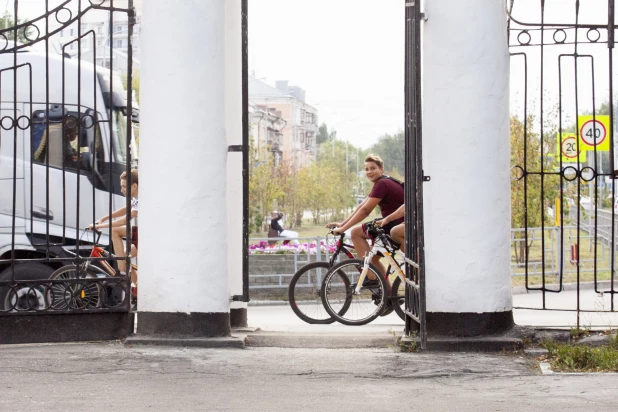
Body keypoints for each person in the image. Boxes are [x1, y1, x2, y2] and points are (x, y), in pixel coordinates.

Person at [327, 154, 404, 281]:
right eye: (367, 169)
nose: (369, 172)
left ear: (381, 168)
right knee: (373, 259)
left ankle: (371, 278)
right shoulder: (385, 181)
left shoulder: (382, 184)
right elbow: (361, 206)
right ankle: (387, 294)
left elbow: (366, 210)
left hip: (395, 225)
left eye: (373, 168)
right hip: (393, 223)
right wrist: (342, 224)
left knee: (356, 232)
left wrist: (344, 228)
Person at [89, 169, 139, 284]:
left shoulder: (141, 198)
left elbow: (125, 219)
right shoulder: (136, 197)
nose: (122, 190)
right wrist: (103, 218)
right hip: (138, 233)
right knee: (124, 257)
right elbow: (125, 209)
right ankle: (135, 288)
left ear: (135, 186)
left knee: (115, 231)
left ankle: (122, 270)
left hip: (144, 235)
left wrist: (101, 225)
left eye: (124, 187)